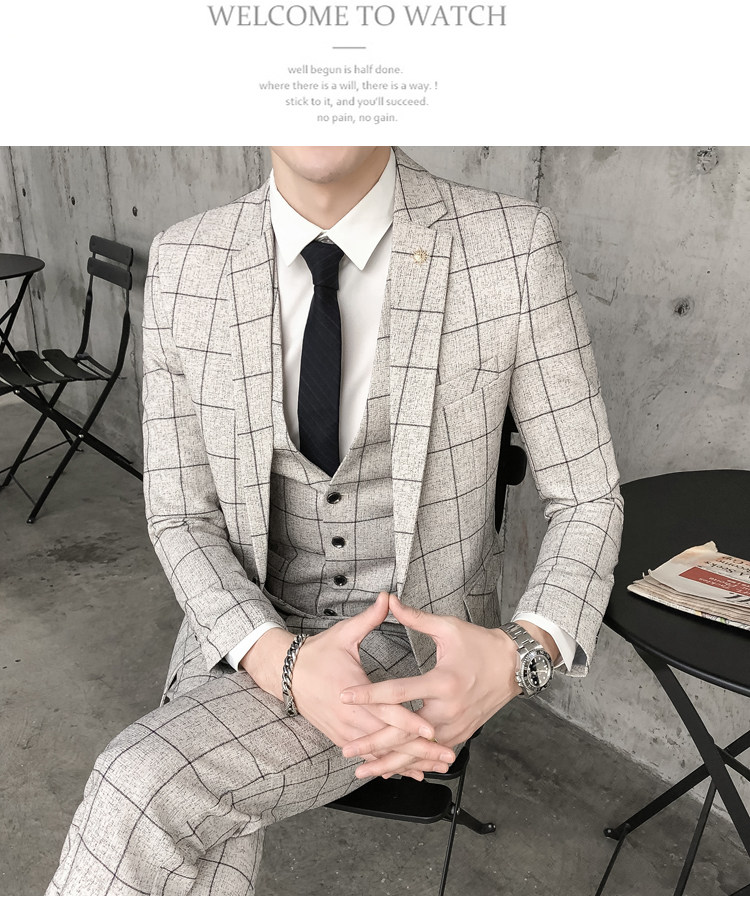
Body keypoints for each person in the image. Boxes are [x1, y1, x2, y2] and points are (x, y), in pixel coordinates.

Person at [47, 146, 623, 895]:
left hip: (412, 648)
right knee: (159, 801)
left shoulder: (510, 247)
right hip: (244, 624)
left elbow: (588, 496)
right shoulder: (187, 261)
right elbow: (180, 512)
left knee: (145, 788)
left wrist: (524, 652)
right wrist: (278, 660)